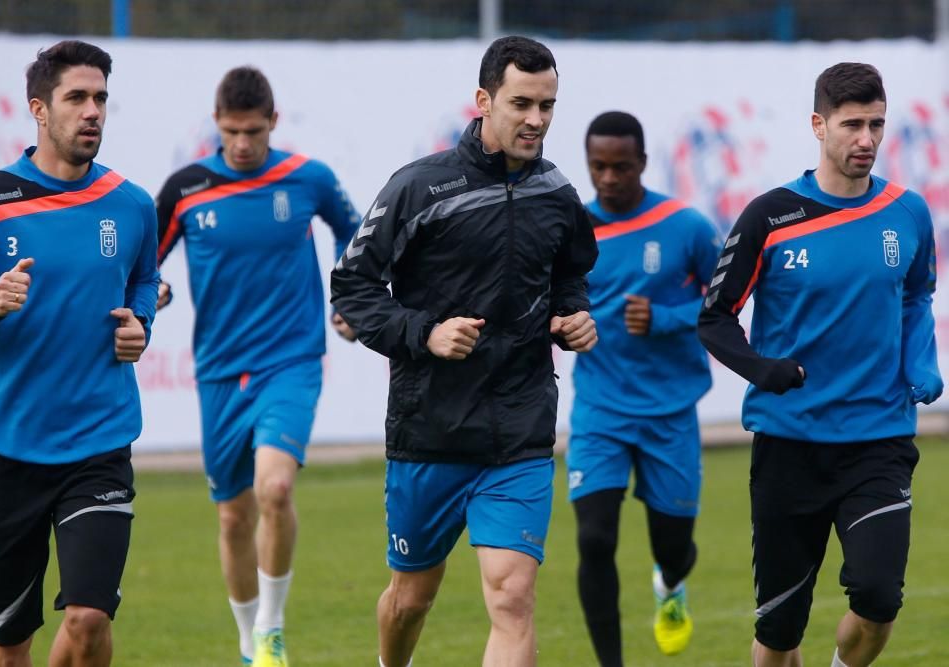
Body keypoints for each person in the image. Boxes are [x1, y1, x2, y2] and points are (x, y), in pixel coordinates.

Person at [331, 35, 598, 667]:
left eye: (548, 105)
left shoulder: (556, 191)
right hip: (431, 431)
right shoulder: (418, 188)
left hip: (520, 432)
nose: (537, 120)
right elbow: (353, 287)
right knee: (411, 597)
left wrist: (575, 315)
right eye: (522, 103)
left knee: (513, 597)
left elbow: (572, 273)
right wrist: (424, 333)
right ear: (483, 101)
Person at [698, 62, 942, 667]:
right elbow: (714, 316)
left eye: (877, 125)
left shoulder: (908, 213)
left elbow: (916, 294)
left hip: (878, 439)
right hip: (790, 444)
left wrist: (921, 358)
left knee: (880, 600)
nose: (866, 139)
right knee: (779, 633)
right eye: (852, 124)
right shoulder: (769, 216)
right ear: (818, 125)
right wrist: (762, 369)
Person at [0, 40, 159, 667]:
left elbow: (143, 281)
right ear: (40, 109)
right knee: (9, 643)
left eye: (100, 98)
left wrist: (140, 325)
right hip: (9, 449)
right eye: (76, 98)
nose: (92, 111)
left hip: (98, 443)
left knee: (90, 618)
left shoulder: (131, 204)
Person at [154, 66, 360, 667]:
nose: (242, 144)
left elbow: (356, 235)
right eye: (231, 132)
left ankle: (271, 627)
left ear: (273, 122)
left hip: (291, 359)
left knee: (274, 488)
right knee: (232, 516)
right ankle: (249, 642)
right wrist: (154, 294)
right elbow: (146, 264)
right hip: (220, 371)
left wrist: (346, 298)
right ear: (216, 125)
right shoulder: (187, 189)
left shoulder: (308, 179)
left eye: (252, 131)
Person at [568, 111, 720, 666]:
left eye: (621, 167)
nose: (608, 178)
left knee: (674, 549)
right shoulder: (571, 227)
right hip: (600, 410)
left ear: (643, 164)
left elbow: (728, 300)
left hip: (670, 412)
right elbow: (546, 300)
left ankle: (671, 584)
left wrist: (667, 317)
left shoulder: (687, 227)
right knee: (594, 540)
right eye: (598, 166)